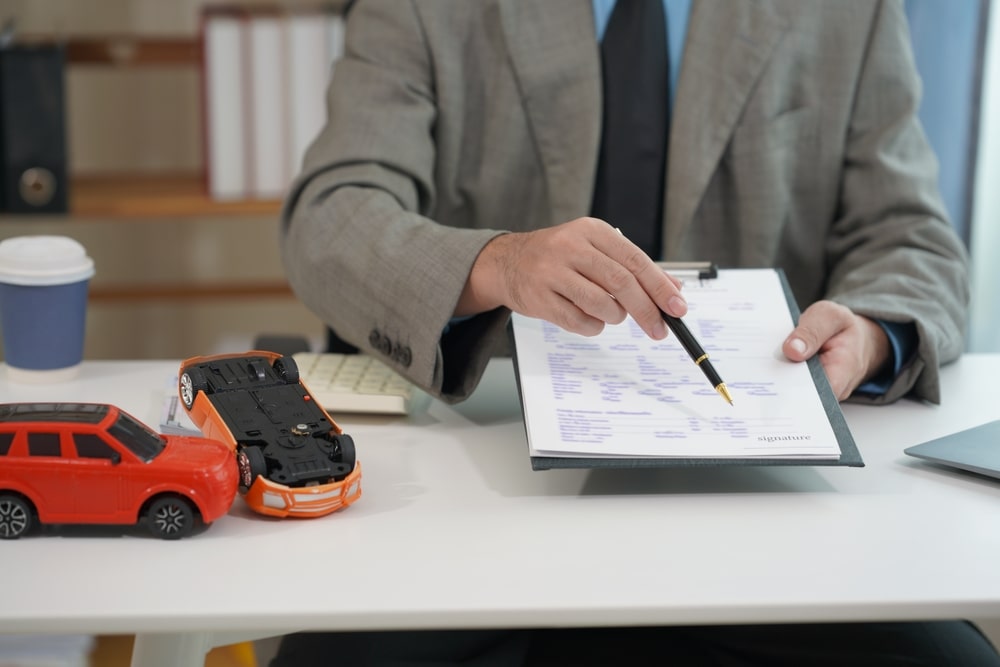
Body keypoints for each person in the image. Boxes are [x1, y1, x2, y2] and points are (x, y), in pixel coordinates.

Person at [275, 0, 996, 664]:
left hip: (766, 522)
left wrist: (869, 332)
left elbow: (913, 240)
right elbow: (331, 215)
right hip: (479, 512)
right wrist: (500, 262)